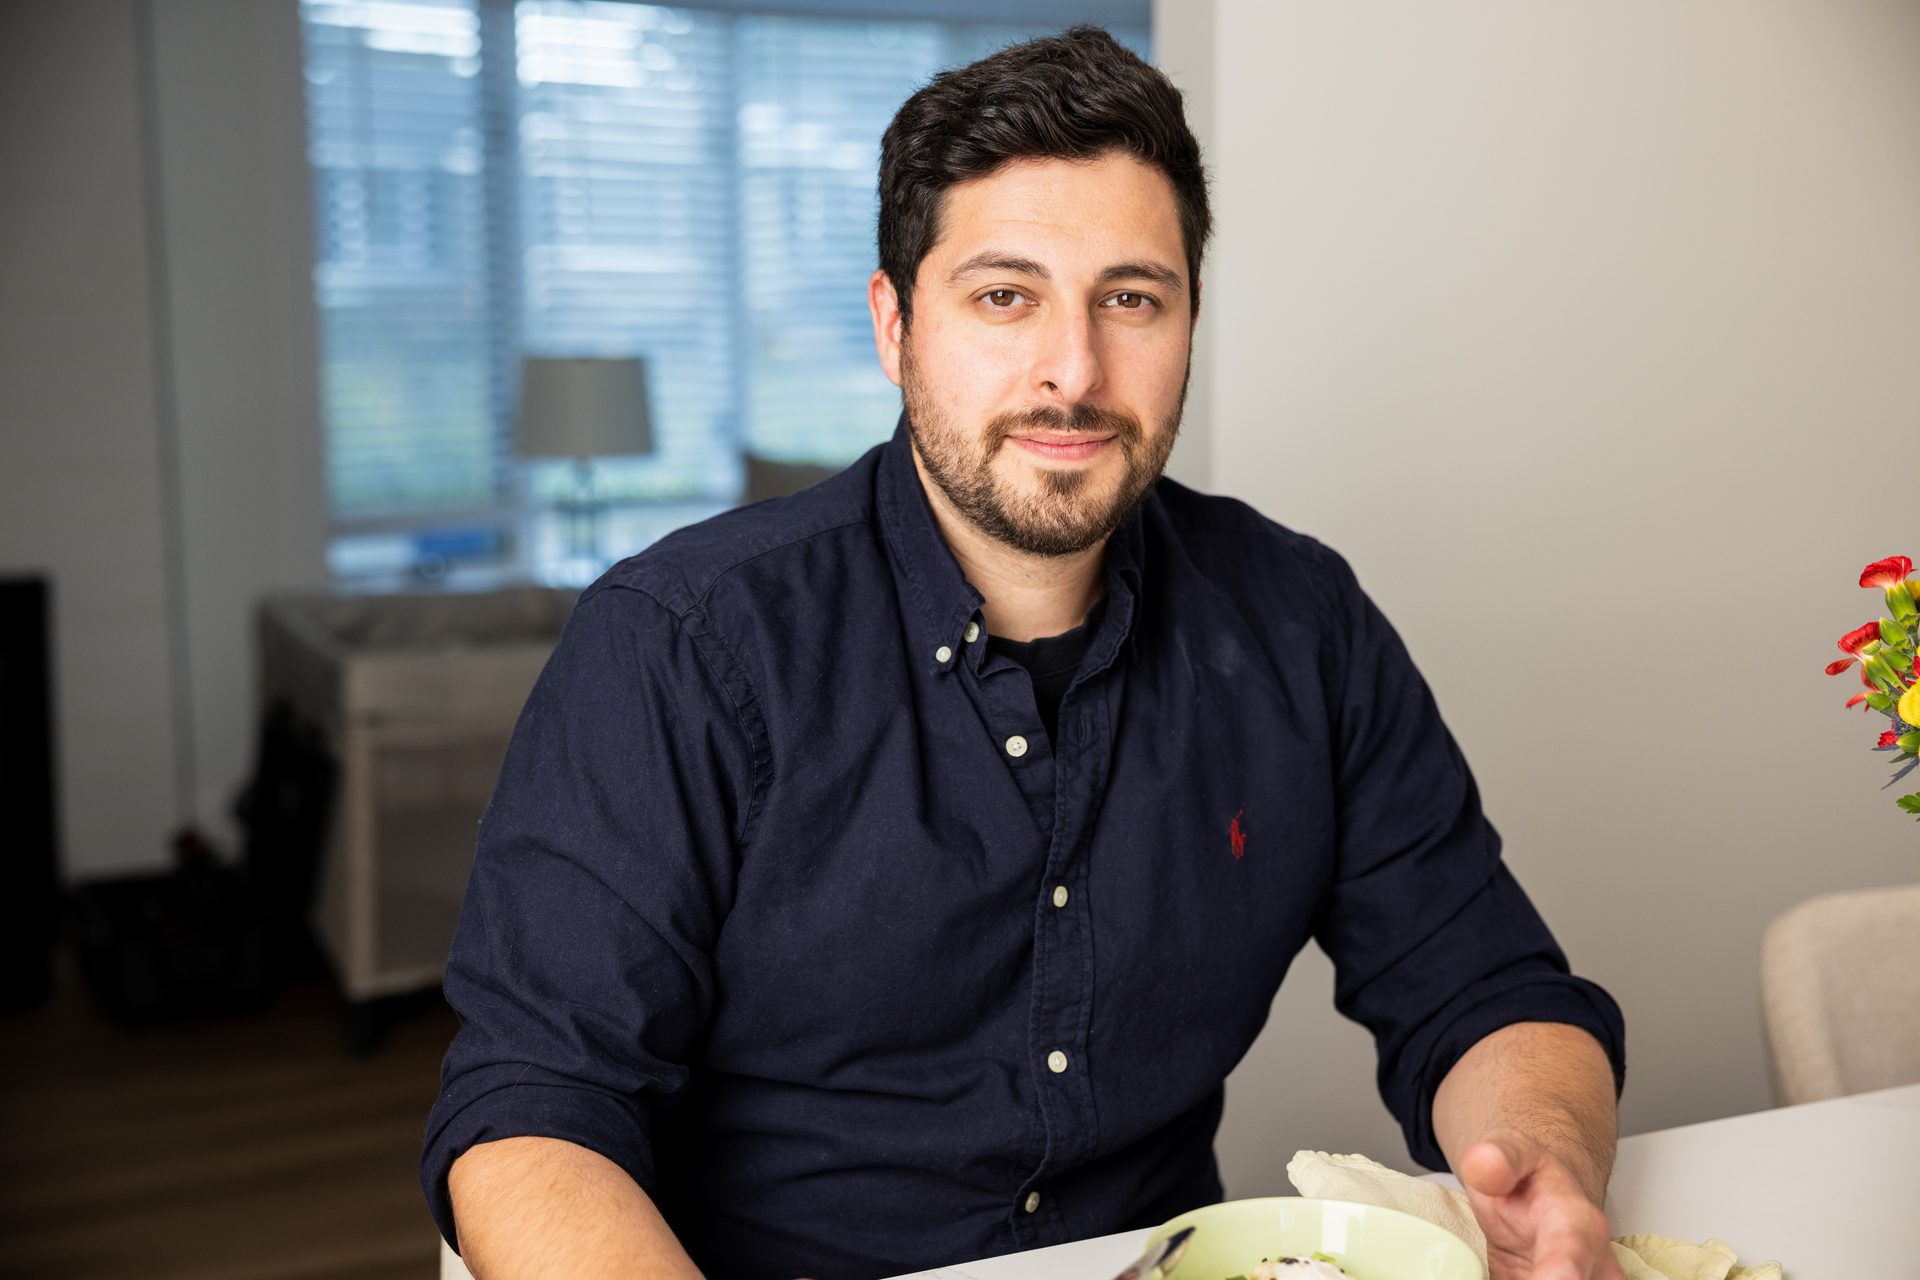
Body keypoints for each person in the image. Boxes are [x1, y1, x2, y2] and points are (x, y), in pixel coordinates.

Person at [424, 26, 1627, 1280]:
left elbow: (1488, 987)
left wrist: (1540, 1166)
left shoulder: (1299, 620)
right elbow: (534, 1110)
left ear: (1189, 323)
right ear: (896, 325)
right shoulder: (679, 642)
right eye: (1005, 295)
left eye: (1131, 298)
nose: (1074, 370)